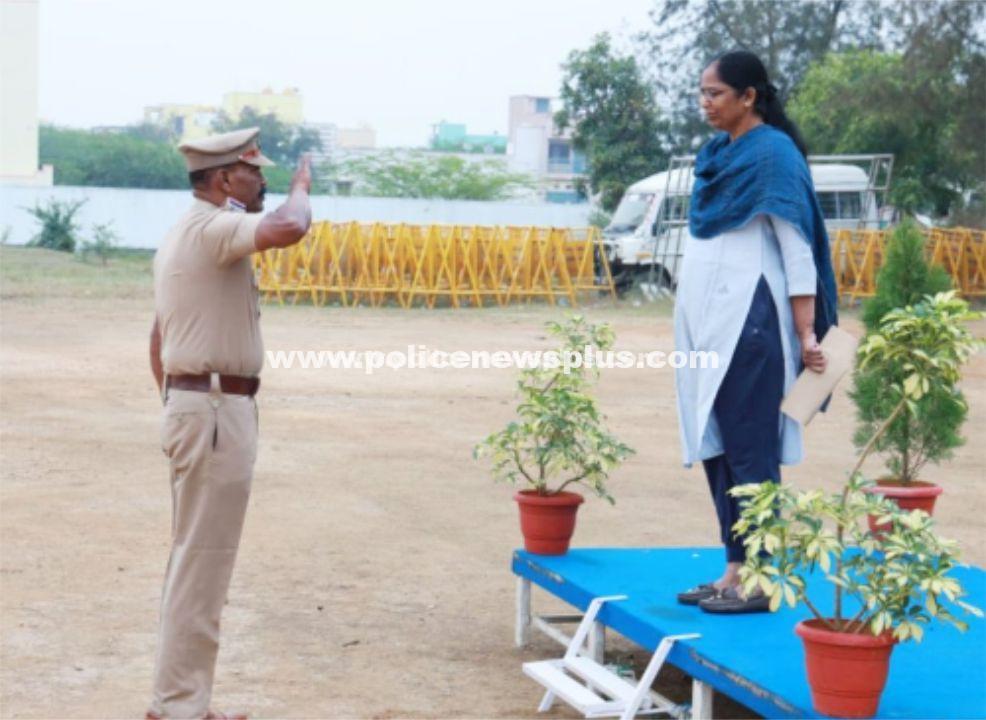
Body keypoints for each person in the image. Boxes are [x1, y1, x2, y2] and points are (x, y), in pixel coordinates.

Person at [147, 127, 312, 719]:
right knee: (202, 563)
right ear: (223, 181)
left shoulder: (183, 233)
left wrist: (178, 404)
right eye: (252, 171)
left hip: (201, 406)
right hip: (214, 410)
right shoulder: (216, 227)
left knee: (194, 560)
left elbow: (160, 338)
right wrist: (301, 188)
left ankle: (183, 701)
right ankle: (179, 708)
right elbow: (289, 228)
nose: (261, 179)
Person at [673, 50, 837, 613]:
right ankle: (733, 570)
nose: (705, 104)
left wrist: (807, 332)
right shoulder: (718, 154)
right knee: (717, 445)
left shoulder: (774, 156)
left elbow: (798, 250)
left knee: (750, 449)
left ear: (749, 96)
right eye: (701, 93)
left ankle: (762, 579)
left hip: (751, 323)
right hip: (706, 325)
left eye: (715, 93)